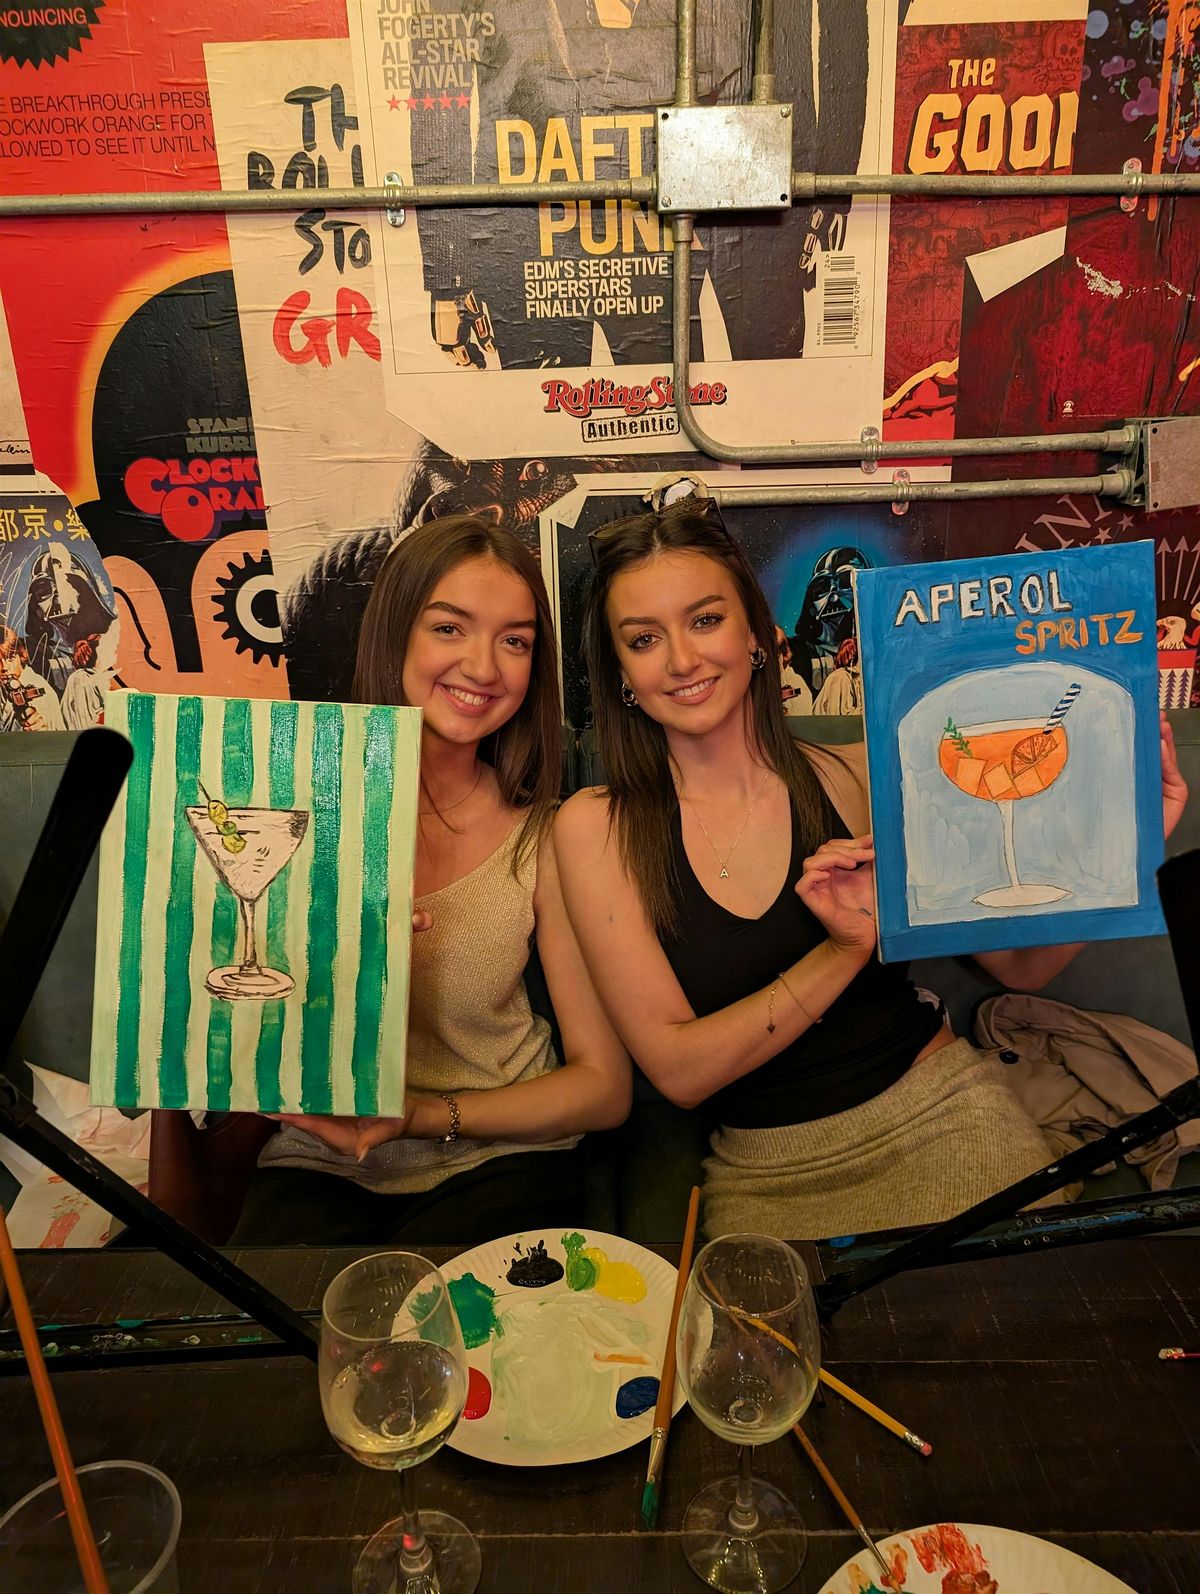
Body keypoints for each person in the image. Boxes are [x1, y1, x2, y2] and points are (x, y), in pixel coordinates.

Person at [554, 502, 1190, 1239]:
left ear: (757, 635)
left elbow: (1021, 966)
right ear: (622, 673)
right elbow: (680, 1072)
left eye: (705, 620)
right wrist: (843, 950)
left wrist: (1132, 847)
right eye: (643, 638)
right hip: (766, 1171)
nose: (682, 660)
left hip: (944, 1112)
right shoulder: (596, 829)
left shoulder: (867, 774)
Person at [233, 516, 630, 1245]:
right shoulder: (287, 815)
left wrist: (422, 1116)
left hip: (501, 1160)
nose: (484, 667)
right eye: (450, 628)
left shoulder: (544, 834)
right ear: (396, 636)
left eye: (515, 641)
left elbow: (603, 1088)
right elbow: (227, 1021)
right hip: (320, 1164)